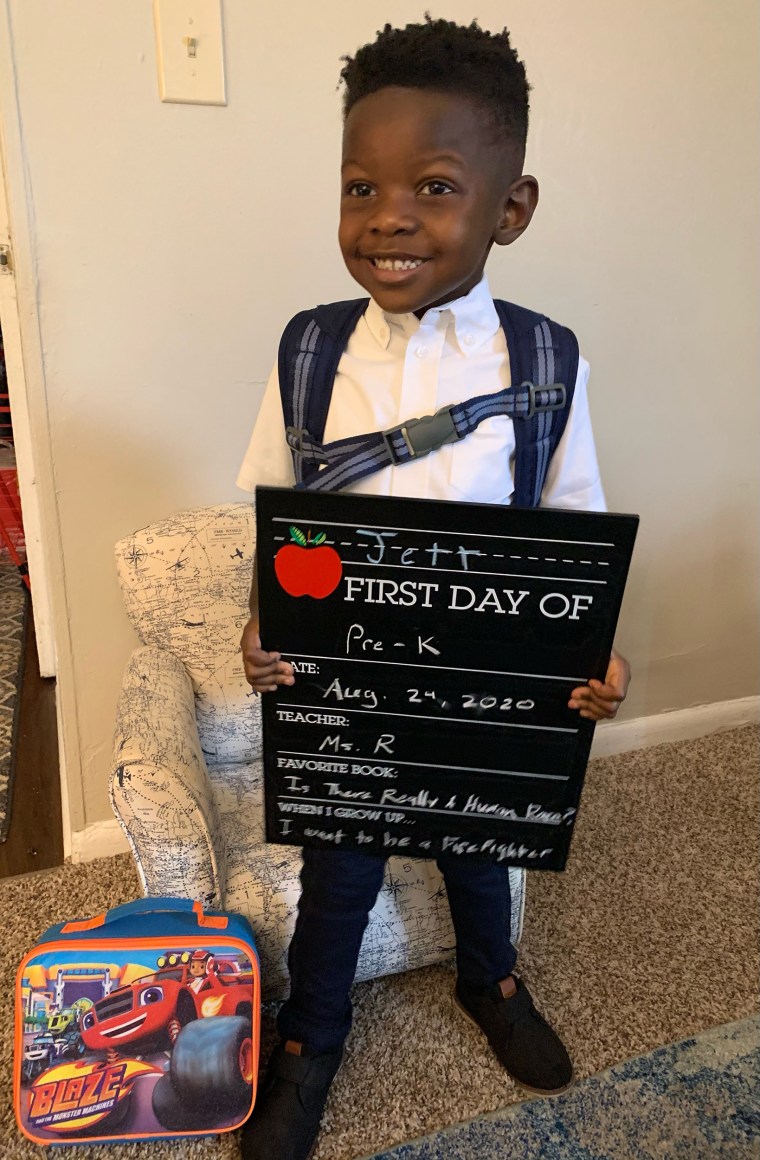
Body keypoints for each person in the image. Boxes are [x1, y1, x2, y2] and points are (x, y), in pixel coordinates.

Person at [236, 17, 631, 1160]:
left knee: (480, 841)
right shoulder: (310, 351)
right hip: (349, 689)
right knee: (340, 864)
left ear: (510, 208)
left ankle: (490, 979)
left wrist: (594, 652)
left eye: (435, 185)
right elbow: (271, 511)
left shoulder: (547, 364)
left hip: (481, 691)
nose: (389, 214)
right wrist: (264, 620)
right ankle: (312, 1036)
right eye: (361, 184)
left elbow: (575, 527)